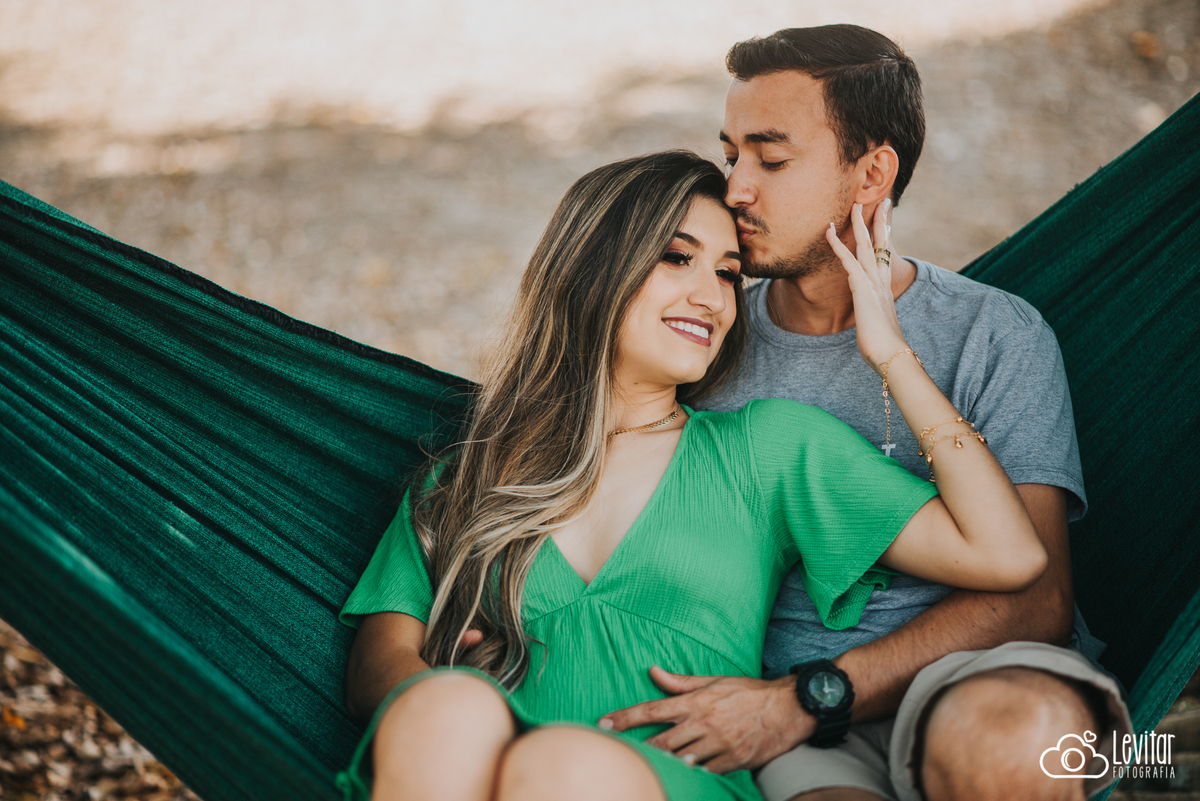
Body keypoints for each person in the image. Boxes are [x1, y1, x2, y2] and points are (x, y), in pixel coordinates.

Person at [336, 149, 1049, 801]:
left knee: (563, 766)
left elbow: (1007, 553)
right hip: (478, 768)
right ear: (593, 267)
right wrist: (439, 688)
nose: (713, 297)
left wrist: (890, 353)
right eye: (678, 258)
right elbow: (379, 657)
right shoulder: (468, 478)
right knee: (446, 707)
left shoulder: (765, 450)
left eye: (728, 274)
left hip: (664, 779)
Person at [598, 25, 1132, 801]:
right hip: (789, 715)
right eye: (731, 155)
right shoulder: (703, 342)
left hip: (980, 676)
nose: (735, 189)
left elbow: (1038, 599)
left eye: (771, 159)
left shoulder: (993, 333)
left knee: (1008, 743)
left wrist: (814, 693)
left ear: (872, 173)